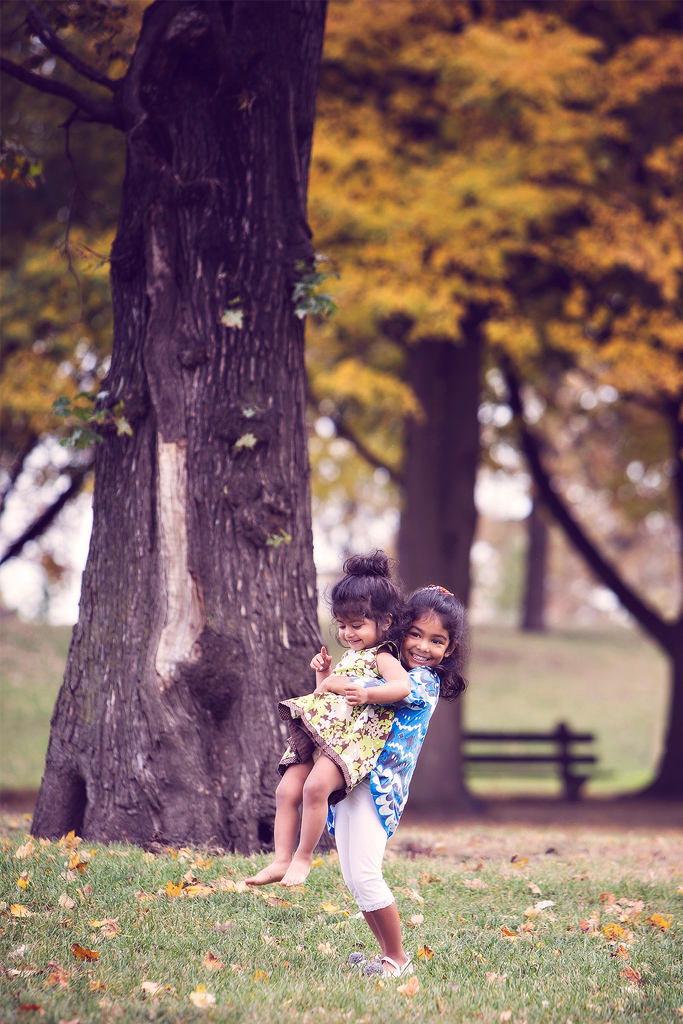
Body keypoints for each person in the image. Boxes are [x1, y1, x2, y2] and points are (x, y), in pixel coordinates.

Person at [246, 551, 411, 888]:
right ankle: (280, 859)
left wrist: (368, 694)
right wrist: (324, 675)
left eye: (357, 625)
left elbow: (402, 686)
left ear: (386, 621)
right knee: (285, 790)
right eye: (342, 625)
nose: (348, 633)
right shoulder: (351, 655)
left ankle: (303, 856)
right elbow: (327, 697)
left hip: (352, 741)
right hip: (325, 734)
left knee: (315, 788)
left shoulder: (383, 656)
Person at [331, 584, 468, 978]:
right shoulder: (392, 669)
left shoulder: (421, 682)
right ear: (401, 630)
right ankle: (386, 956)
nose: (423, 646)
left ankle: (398, 960)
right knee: (353, 878)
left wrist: (337, 681)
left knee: (367, 874)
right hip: (352, 777)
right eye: (416, 634)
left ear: (450, 649)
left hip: (380, 788)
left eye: (437, 640)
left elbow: (364, 690)